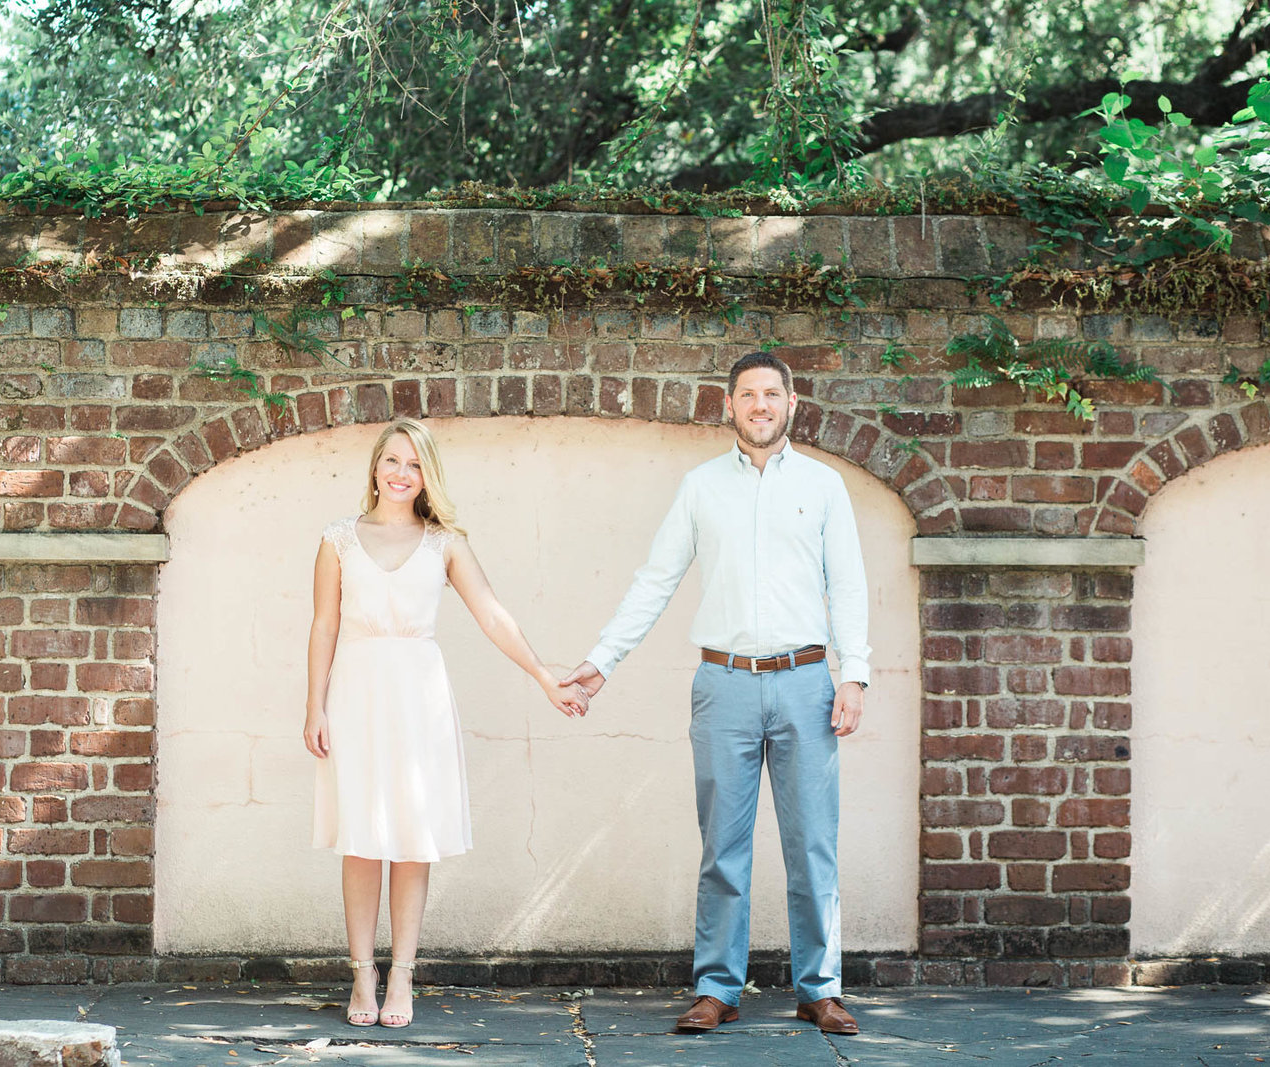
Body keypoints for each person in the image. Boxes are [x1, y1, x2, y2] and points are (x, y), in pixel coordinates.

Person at [561, 351, 870, 1037]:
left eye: (772, 394)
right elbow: (655, 579)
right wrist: (601, 659)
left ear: (793, 404)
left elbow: (847, 584)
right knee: (722, 848)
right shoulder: (701, 487)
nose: (760, 404)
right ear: (727, 405)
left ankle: (820, 987)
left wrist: (854, 673)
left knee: (813, 843)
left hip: (805, 684)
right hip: (724, 683)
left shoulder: (824, 487)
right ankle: (718, 987)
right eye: (747, 394)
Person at [304, 417, 589, 1029]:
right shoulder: (338, 538)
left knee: (411, 839)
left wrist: (542, 673)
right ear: (375, 467)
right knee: (360, 840)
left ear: (427, 475)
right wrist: (314, 706)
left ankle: (402, 976)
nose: (402, 474)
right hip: (355, 692)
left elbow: (491, 614)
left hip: (418, 698)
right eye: (392, 461)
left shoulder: (445, 543)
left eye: (414, 464)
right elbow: (324, 625)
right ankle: (362, 973)